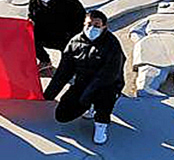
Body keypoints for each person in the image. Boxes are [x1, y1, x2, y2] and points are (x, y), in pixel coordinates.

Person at [43, 10, 125, 145]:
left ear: (104, 27)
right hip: (82, 82)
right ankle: (89, 105)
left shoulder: (112, 45)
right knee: (62, 115)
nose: (92, 28)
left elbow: (108, 75)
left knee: (104, 99)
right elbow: (63, 71)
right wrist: (48, 95)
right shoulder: (75, 42)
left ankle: (101, 125)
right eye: (89, 24)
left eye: (97, 25)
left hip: (108, 84)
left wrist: (86, 97)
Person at [27, 0, 85, 74]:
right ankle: (45, 61)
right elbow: (32, 20)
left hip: (67, 37)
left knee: (67, 68)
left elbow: (81, 21)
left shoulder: (69, 1)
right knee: (28, 36)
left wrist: (72, 37)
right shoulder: (33, 3)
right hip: (47, 36)